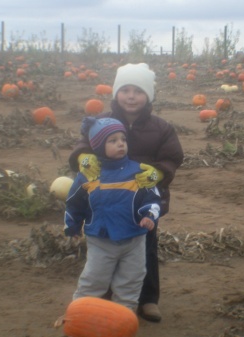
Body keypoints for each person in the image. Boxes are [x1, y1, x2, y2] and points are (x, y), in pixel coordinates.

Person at [68, 63, 184, 322]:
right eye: (126, 90)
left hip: (142, 204)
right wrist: (83, 156)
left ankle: (148, 299)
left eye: (138, 91)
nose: (131, 96)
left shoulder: (161, 128)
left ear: (148, 96)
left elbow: (172, 157)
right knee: (105, 252)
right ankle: (108, 297)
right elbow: (82, 145)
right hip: (106, 202)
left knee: (146, 251)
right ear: (116, 93)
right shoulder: (99, 123)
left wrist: (160, 174)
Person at [64, 117, 161, 312]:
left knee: (131, 280)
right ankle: (79, 314)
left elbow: (152, 198)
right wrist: (72, 226)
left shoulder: (138, 172)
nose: (120, 144)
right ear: (98, 147)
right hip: (101, 240)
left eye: (123, 139)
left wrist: (149, 216)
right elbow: (74, 202)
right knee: (94, 279)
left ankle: (124, 314)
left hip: (134, 238)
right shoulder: (89, 174)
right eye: (113, 140)